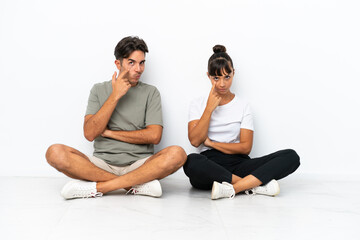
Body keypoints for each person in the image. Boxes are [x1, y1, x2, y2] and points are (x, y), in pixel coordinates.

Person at [46, 36, 187, 200]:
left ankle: (101, 187)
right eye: (132, 62)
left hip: (140, 165)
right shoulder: (99, 90)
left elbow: (154, 136)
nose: (139, 69)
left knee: (178, 154)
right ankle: (135, 186)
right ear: (118, 64)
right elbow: (90, 133)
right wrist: (115, 96)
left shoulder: (151, 92)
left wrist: (110, 133)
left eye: (142, 63)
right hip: (101, 164)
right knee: (54, 152)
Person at [183, 45, 300, 200]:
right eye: (216, 78)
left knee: (291, 156)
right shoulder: (197, 104)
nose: (222, 84)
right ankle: (254, 186)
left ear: (233, 73)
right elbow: (195, 141)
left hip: (238, 163)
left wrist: (212, 144)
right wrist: (209, 109)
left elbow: (245, 148)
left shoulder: (242, 106)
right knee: (191, 161)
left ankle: (235, 188)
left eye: (227, 77)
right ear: (208, 76)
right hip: (210, 165)